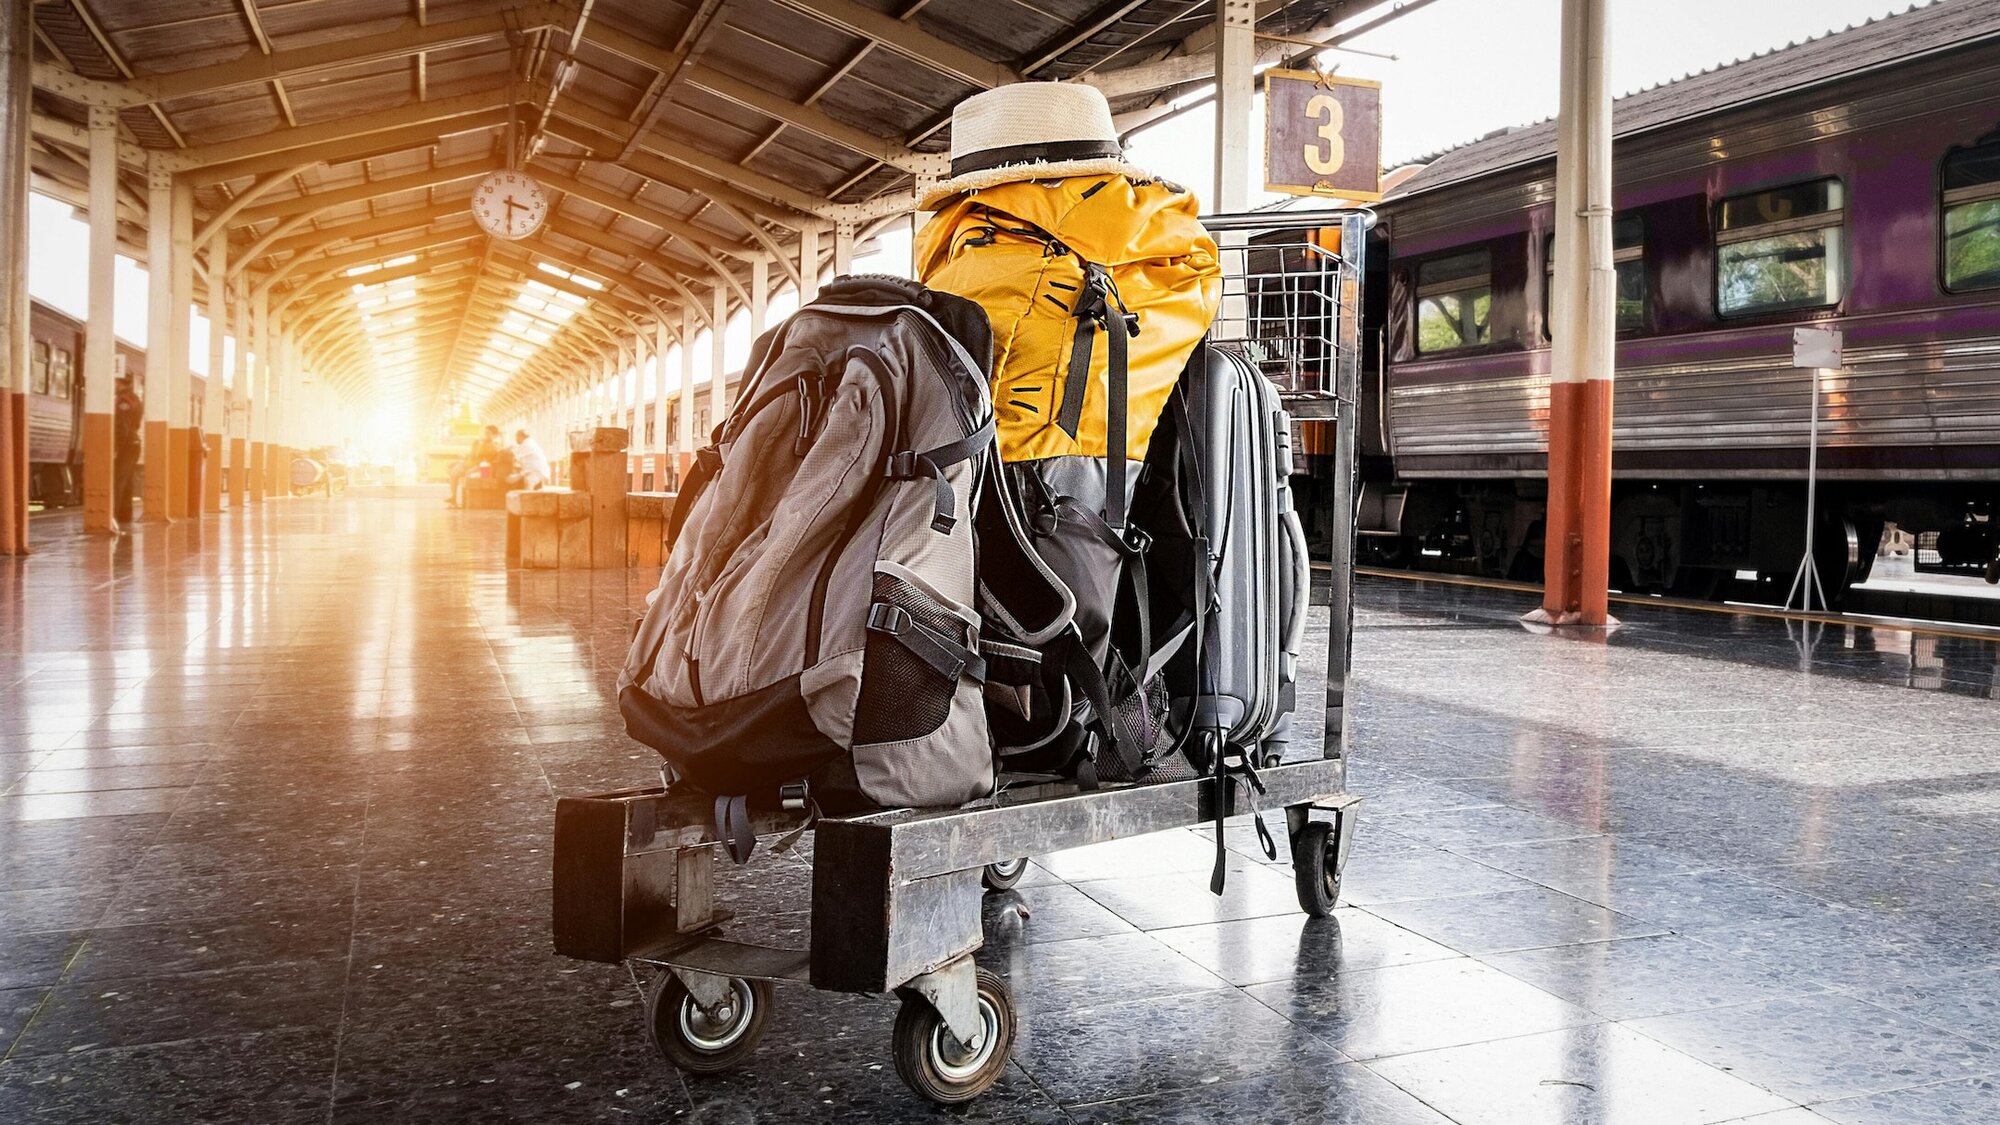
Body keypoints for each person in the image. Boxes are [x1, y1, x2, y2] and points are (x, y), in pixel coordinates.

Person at [113, 374, 143, 529]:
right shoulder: (134, 398)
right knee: (126, 482)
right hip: (133, 442)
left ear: (119, 382)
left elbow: (122, 426)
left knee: (117, 481)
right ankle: (125, 517)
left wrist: (116, 447)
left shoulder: (124, 400)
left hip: (127, 444)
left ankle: (113, 516)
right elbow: (136, 424)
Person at [449, 424, 503, 508]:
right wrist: (464, 459)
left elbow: (492, 460)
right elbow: (472, 455)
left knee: (465, 473)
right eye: (485, 432)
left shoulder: (495, 445)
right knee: (453, 474)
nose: (486, 434)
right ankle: (453, 498)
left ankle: (456, 499)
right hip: (470, 463)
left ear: (494, 435)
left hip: (481, 466)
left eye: (488, 432)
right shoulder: (477, 442)